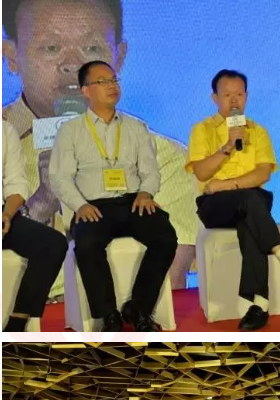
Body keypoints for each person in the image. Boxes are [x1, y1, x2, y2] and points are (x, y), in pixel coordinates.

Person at [2, 0, 199, 291]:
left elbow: (167, 288)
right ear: (11, 56)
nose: (73, 64)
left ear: (119, 57)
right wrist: (39, 206)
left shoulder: (163, 158)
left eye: (92, 48)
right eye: (51, 47)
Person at [49, 60, 178, 331]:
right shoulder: (70, 131)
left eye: (114, 80)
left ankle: (139, 308)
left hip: (133, 201)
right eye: (103, 81)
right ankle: (108, 315)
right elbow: (60, 177)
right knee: (87, 243)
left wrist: (146, 193)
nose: (112, 86)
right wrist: (80, 205)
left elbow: (151, 171)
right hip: (93, 206)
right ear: (86, 91)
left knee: (165, 236)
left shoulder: (136, 127)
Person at [186, 68, 280, 331]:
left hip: (248, 200)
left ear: (246, 96)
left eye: (239, 95)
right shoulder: (202, 130)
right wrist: (227, 146)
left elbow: (263, 173)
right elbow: (202, 172)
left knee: (250, 216)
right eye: (227, 95)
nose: (234, 101)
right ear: (214, 98)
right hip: (215, 205)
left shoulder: (258, 131)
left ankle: (259, 306)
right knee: (251, 204)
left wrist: (226, 184)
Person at [2, 120, 68, 331]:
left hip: (4, 214)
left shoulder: (5, 130)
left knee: (53, 243)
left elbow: (16, 183)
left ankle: (17, 323)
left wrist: (7, 215)